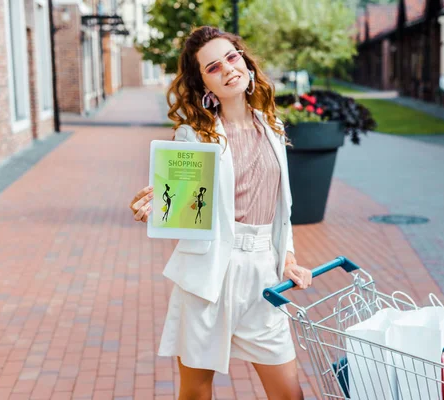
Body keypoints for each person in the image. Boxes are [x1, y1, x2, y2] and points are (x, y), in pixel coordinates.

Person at [128, 26, 312, 400]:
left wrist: (288, 257)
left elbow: (281, 209)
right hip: (209, 277)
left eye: (231, 57)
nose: (228, 68)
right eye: (213, 67)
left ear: (243, 59)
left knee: (289, 394)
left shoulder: (273, 126)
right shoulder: (195, 136)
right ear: (204, 82)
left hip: (263, 275)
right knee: (196, 391)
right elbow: (183, 207)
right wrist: (156, 210)